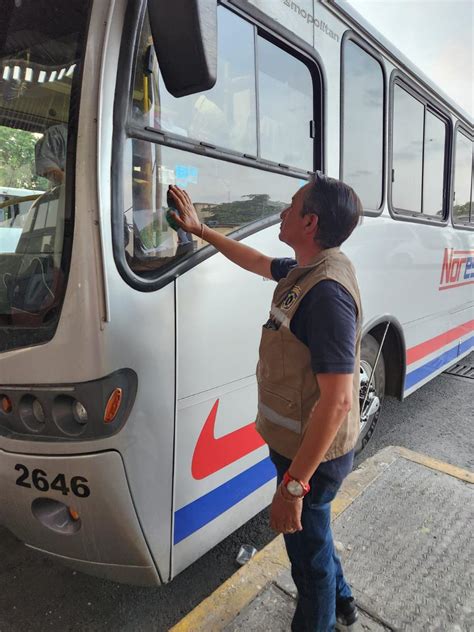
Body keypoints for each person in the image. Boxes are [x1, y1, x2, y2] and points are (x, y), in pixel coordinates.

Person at [168, 172, 362, 632]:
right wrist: (200, 230)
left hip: (311, 460)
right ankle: (345, 603)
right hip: (300, 449)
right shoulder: (309, 269)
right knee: (317, 539)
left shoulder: (327, 294)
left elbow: (337, 401)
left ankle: (322, 621)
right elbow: (256, 261)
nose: (282, 212)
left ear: (309, 222)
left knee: (307, 565)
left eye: (291, 206)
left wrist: (294, 487)